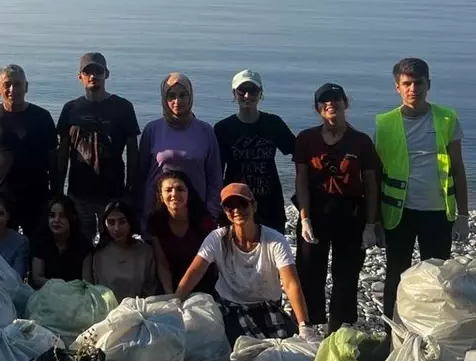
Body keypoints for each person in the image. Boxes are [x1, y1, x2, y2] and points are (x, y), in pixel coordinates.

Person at [374, 58, 470, 319]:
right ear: (397, 87)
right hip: (398, 213)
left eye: (418, 82)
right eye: (407, 83)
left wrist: (463, 215)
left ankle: (435, 332)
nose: (413, 88)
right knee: (396, 273)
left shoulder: (447, 118)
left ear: (429, 84)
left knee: (438, 276)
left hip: (438, 212)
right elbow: (376, 174)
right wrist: (374, 221)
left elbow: (458, 169)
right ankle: (392, 334)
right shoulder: (384, 123)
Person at [174, 183, 310, 345]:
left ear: (254, 206)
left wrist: (304, 326)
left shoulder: (275, 240)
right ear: (224, 211)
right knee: (236, 351)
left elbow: (290, 283)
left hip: (267, 307)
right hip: (230, 308)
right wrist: (175, 304)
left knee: (284, 350)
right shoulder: (217, 238)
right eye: (229, 206)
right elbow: (195, 272)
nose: (237, 210)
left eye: (243, 204)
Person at [293, 83, 380, 332]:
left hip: (351, 213)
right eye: (324, 100)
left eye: (336, 99)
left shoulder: (360, 141)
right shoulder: (307, 139)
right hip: (316, 210)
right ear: (318, 108)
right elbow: (301, 180)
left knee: (347, 274)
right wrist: (305, 218)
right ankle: (308, 327)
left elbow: (371, 184)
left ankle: (338, 329)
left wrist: (371, 225)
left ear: (346, 103)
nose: (330, 103)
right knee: (309, 271)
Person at [55, 52, 141, 243]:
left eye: (98, 71)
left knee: (111, 242)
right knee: (80, 242)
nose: (93, 75)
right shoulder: (70, 109)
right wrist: (59, 188)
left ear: (106, 74)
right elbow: (62, 151)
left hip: (112, 192)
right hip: (79, 192)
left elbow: (133, 150)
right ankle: (85, 274)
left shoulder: (123, 107)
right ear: (80, 77)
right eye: (88, 72)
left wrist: (131, 187)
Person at [0, 64, 57, 236]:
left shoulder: (42, 117)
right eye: (7, 85)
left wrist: (56, 197)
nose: (12, 89)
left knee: (36, 250)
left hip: (36, 198)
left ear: (26, 87)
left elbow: (54, 162)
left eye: (18, 84)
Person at [213, 70, 296, 233]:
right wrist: (216, 205)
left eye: (253, 91)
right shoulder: (223, 128)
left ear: (261, 94)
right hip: (235, 203)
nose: (247, 96)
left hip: (270, 204)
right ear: (234, 94)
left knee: (271, 254)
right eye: (242, 91)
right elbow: (216, 170)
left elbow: (298, 152)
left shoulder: (273, 123)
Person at [137, 72, 223, 229]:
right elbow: (141, 174)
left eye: (183, 95)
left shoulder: (205, 131)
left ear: (190, 97)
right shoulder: (152, 130)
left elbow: (215, 176)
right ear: (164, 98)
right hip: (157, 212)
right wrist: (143, 212)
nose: (177, 101)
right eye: (171, 96)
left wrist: (211, 212)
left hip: (195, 212)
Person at [146, 166, 218, 297]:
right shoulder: (156, 221)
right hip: (169, 284)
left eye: (180, 189)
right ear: (161, 196)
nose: (174, 194)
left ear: (188, 194)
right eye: (168, 190)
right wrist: (171, 296)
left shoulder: (203, 220)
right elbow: (162, 263)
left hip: (203, 284)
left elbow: (208, 263)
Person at [83, 200, 157, 300]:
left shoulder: (145, 252)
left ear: (130, 222)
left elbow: (150, 289)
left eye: (122, 222)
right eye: (111, 222)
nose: (116, 228)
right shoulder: (99, 253)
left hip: (139, 309)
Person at [30, 194, 93, 286]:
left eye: (62, 216)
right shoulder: (40, 242)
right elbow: (37, 278)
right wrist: (61, 287)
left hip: (76, 295)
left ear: (72, 218)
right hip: (46, 294)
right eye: (52, 215)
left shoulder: (84, 246)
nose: (56, 220)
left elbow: (87, 283)